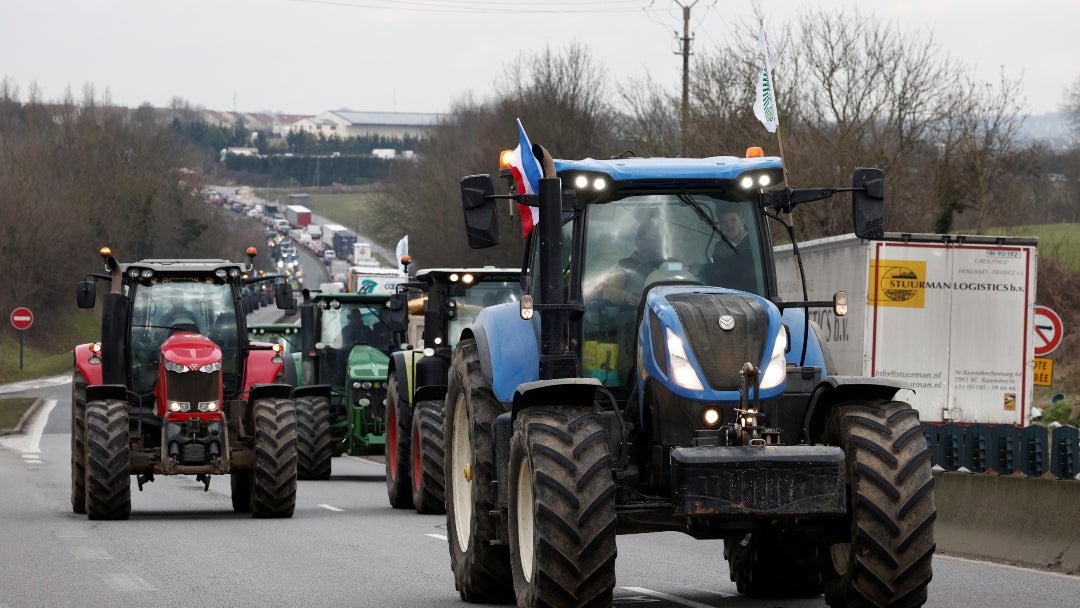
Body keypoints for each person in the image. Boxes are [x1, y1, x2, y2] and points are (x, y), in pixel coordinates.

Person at [603, 221, 665, 307]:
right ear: (637, 242)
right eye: (643, 240)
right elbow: (608, 290)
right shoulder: (624, 265)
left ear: (658, 244)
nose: (647, 245)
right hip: (633, 315)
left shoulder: (666, 265)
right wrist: (625, 296)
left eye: (651, 241)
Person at [701, 210, 756, 291]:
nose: (729, 226)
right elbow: (716, 271)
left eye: (733, 220)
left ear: (743, 221)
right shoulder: (720, 246)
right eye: (723, 222)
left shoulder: (754, 244)